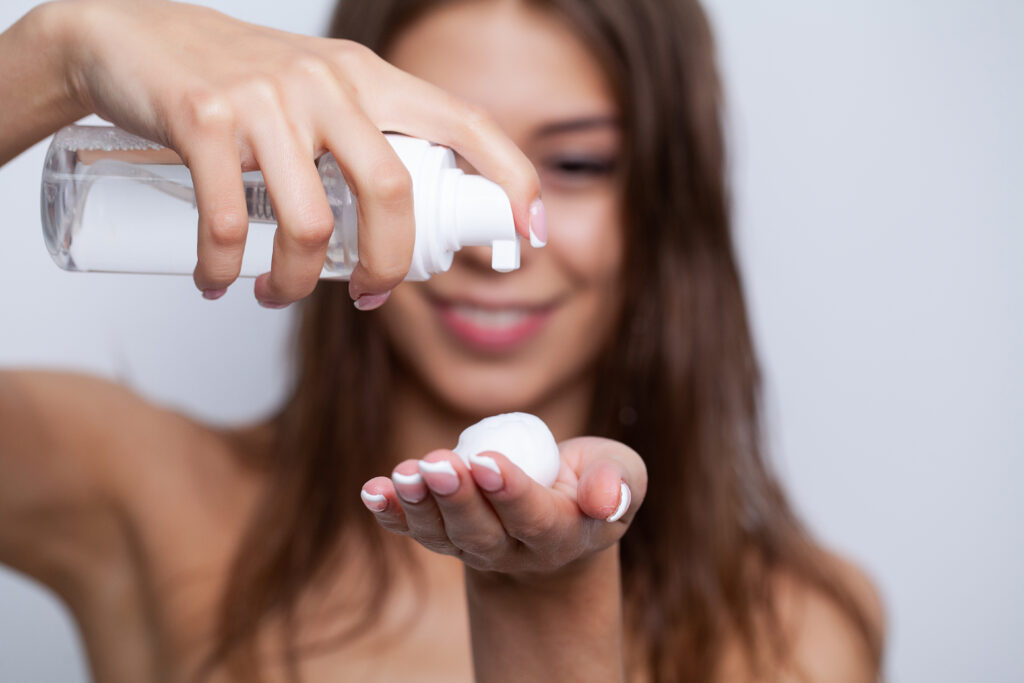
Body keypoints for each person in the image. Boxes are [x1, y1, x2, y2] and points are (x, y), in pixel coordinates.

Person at [0, 0, 886, 681]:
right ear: (323, 164)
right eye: (424, 155)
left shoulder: (795, 626)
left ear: (663, 202)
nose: (486, 246)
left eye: (574, 165)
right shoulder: (133, 485)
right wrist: (55, 51)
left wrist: (549, 602)